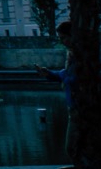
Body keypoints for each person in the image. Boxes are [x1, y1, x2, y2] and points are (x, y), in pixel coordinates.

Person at [36, 22, 78, 160]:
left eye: (64, 38)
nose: (62, 42)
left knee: (72, 147)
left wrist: (60, 77)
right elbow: (66, 75)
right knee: (74, 147)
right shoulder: (71, 54)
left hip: (81, 108)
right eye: (60, 38)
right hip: (74, 107)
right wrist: (49, 74)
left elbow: (72, 78)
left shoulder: (80, 55)